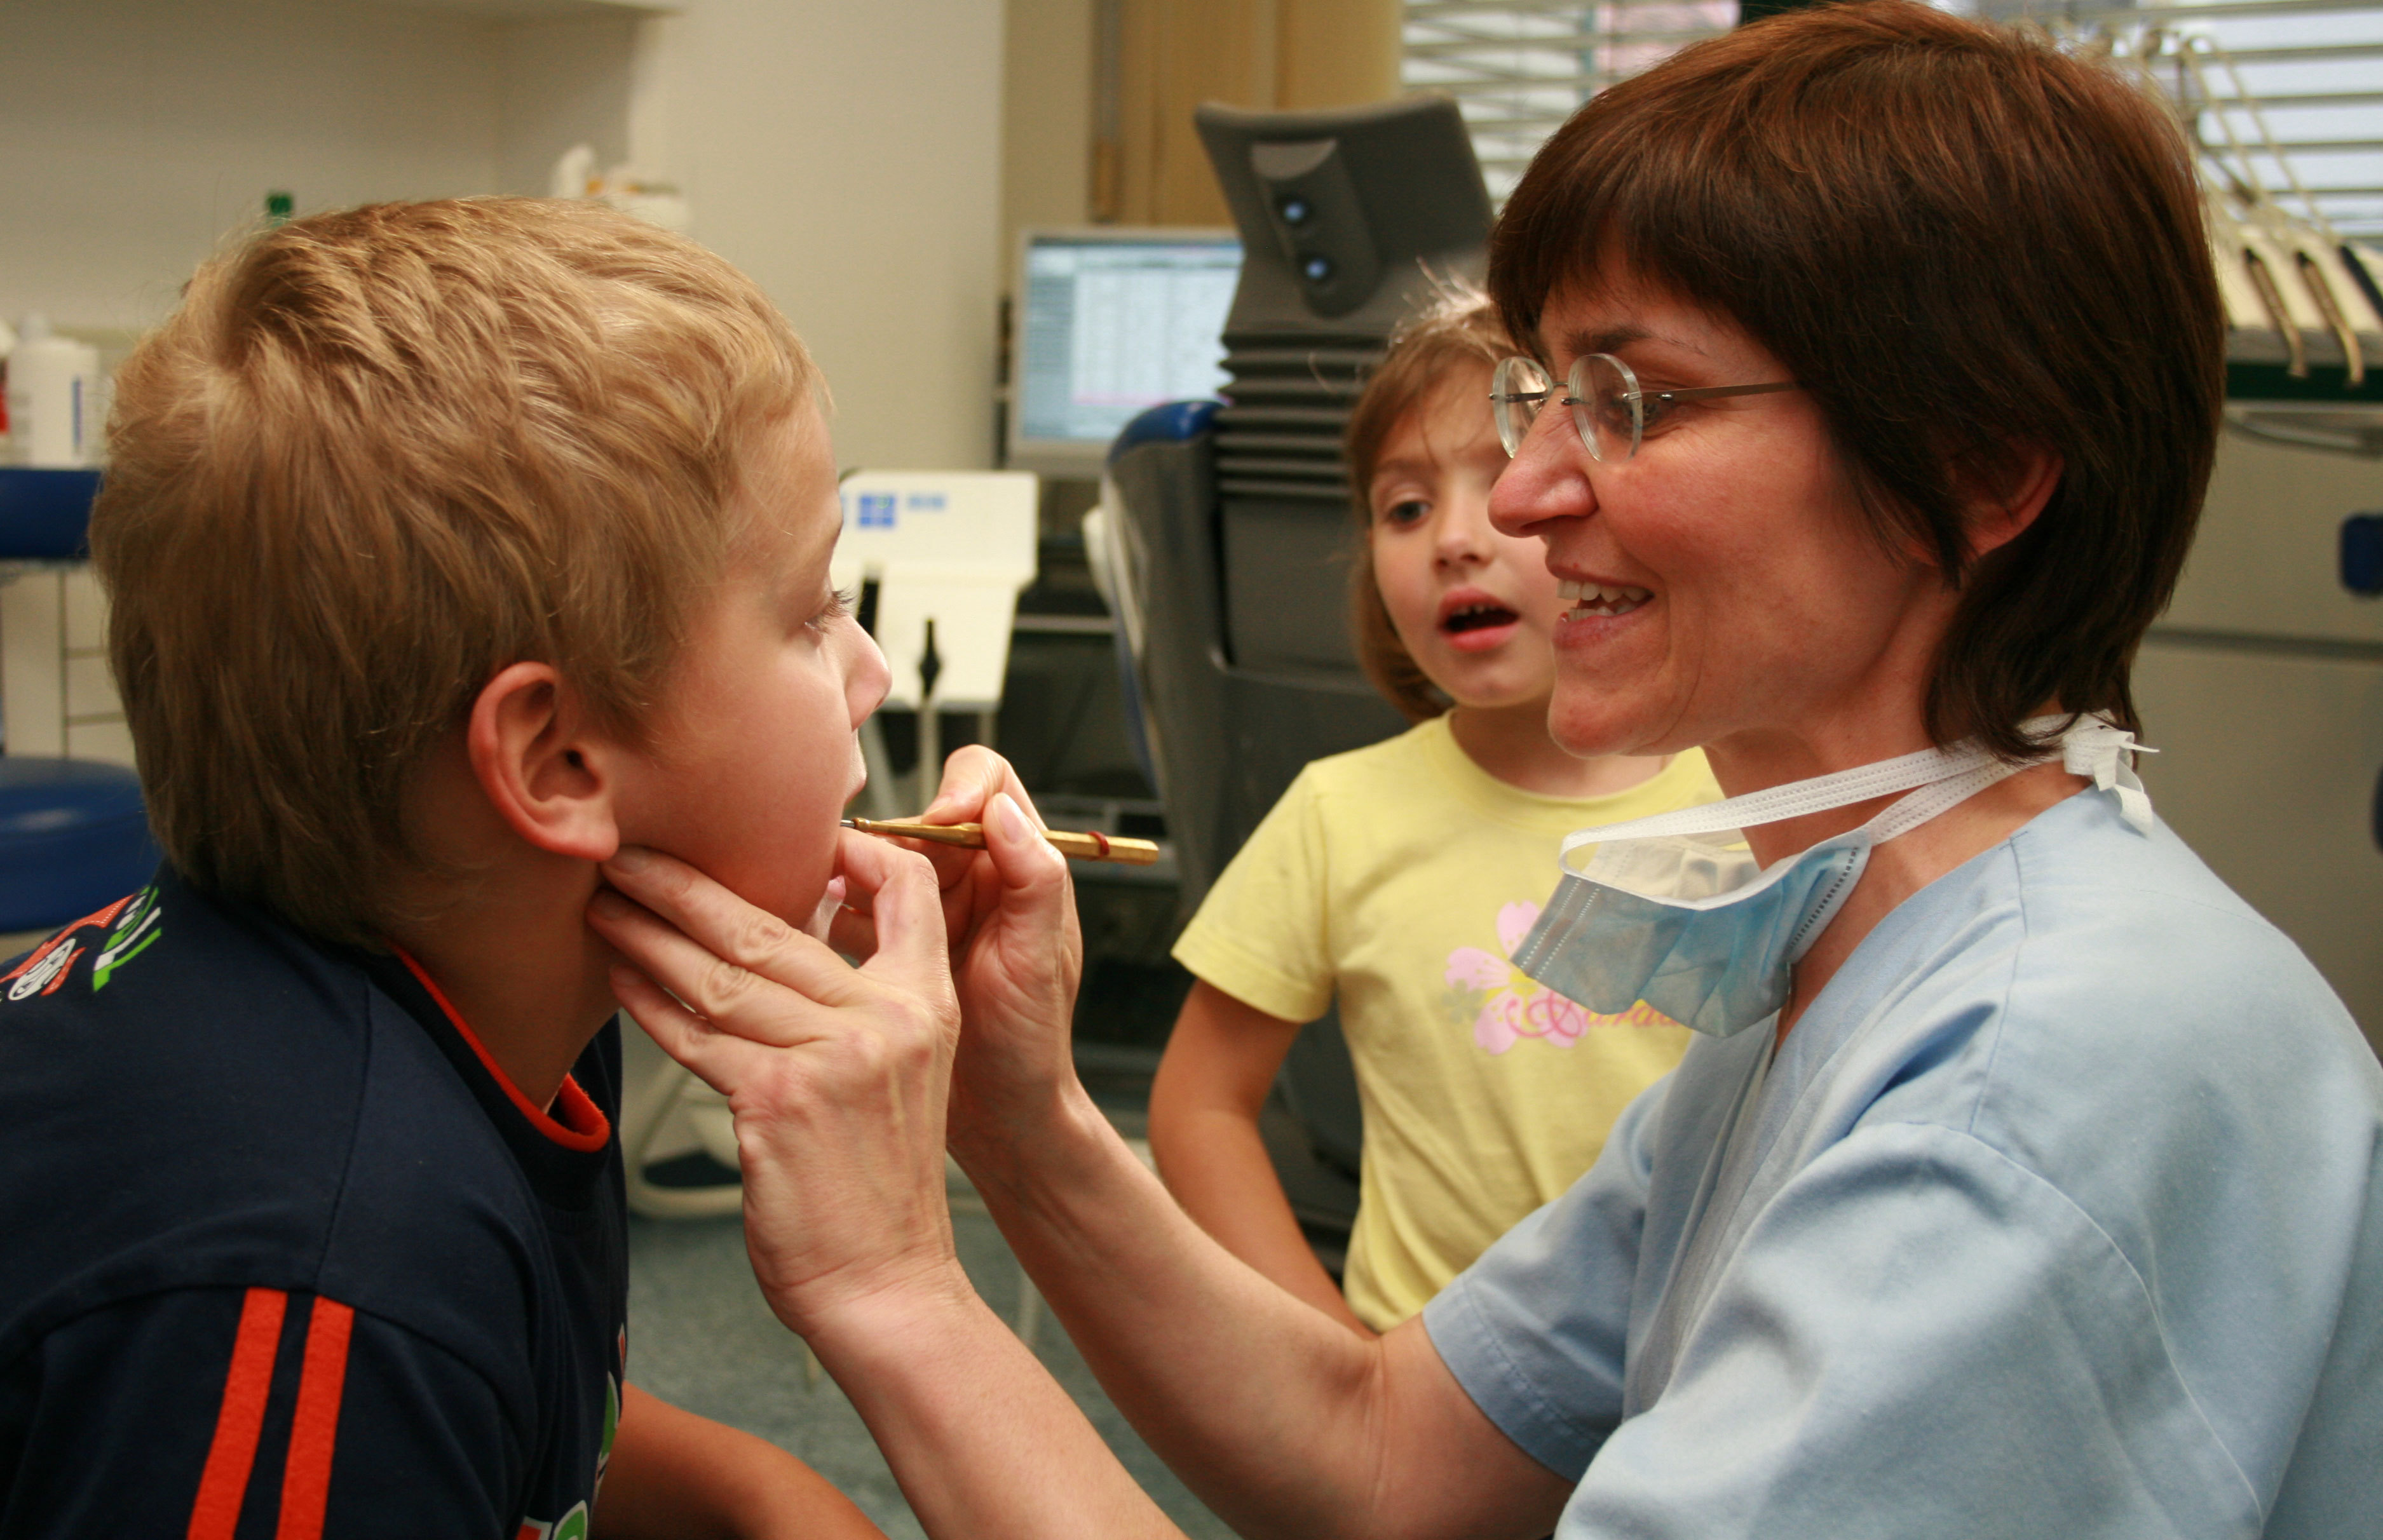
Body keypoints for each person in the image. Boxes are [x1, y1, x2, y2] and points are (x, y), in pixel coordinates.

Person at [592, 5, 2383, 1536]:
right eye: (1544, 395)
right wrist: (1011, 1111)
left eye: (1635, 402)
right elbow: (1382, 1457)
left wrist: (892, 1288)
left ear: (1982, 475)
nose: (1519, 502)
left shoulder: (2027, 1091)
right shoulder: (1846, 947)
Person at [0, 199, 888, 1538]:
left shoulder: (488, 978)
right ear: (556, 766)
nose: (871, 668)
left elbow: (501, 1401)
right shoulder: (326, 1265)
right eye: (814, 611)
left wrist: (768, 1496)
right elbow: (387, 1363)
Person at [1150, 288, 1716, 1336]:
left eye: (1501, 479)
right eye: (1404, 507)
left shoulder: (1749, 796)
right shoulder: (1339, 814)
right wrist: (1331, 1358)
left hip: (1695, 1385)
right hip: (1435, 1401)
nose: (1454, 538)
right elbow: (1196, 1106)